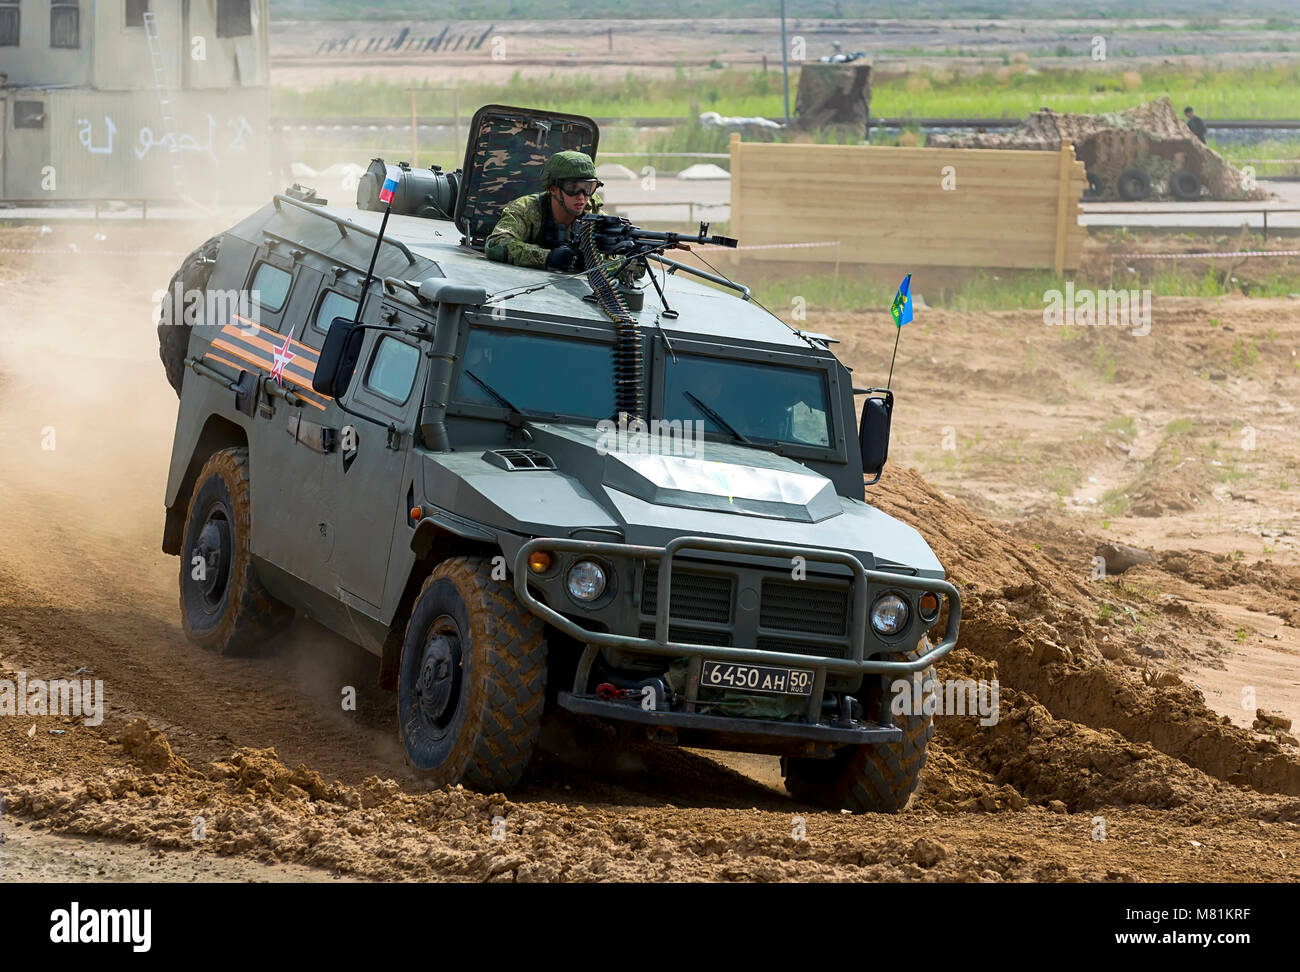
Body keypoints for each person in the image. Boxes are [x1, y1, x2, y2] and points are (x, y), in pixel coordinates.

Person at [485, 151, 606, 271]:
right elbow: (496, 244)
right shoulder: (526, 209)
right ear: (553, 189)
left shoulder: (594, 215)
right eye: (572, 188)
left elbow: (619, 260)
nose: (581, 197)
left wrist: (591, 261)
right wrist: (547, 257)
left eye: (587, 188)